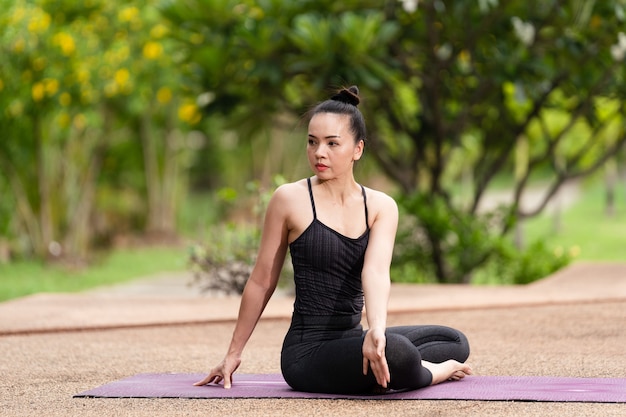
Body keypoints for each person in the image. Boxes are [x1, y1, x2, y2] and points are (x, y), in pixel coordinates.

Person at [194, 86, 472, 394]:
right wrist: (233, 353)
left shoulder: (380, 206)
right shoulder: (289, 199)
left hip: (352, 339)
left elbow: (376, 273)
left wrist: (376, 330)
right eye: (312, 142)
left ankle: (386, 356)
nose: (319, 153)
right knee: (400, 353)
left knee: (454, 341)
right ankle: (431, 372)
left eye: (331, 143)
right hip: (307, 354)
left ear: (358, 149)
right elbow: (262, 281)